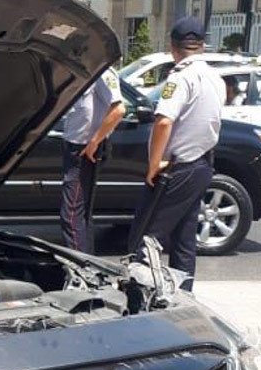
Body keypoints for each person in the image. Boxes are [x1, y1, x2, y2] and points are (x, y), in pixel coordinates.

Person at [128, 16, 225, 291]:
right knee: (184, 240)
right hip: (202, 165)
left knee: (147, 238)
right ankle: (184, 297)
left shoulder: (181, 78)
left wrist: (153, 163)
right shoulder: (215, 78)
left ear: (173, 46)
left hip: (177, 168)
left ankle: (138, 298)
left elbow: (164, 121)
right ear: (202, 46)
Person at [59, 68, 124, 253]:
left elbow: (119, 109)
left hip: (84, 150)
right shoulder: (84, 71)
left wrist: (95, 141)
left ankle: (81, 270)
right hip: (75, 147)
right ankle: (88, 264)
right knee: (80, 215)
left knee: (71, 216)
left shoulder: (102, 72)